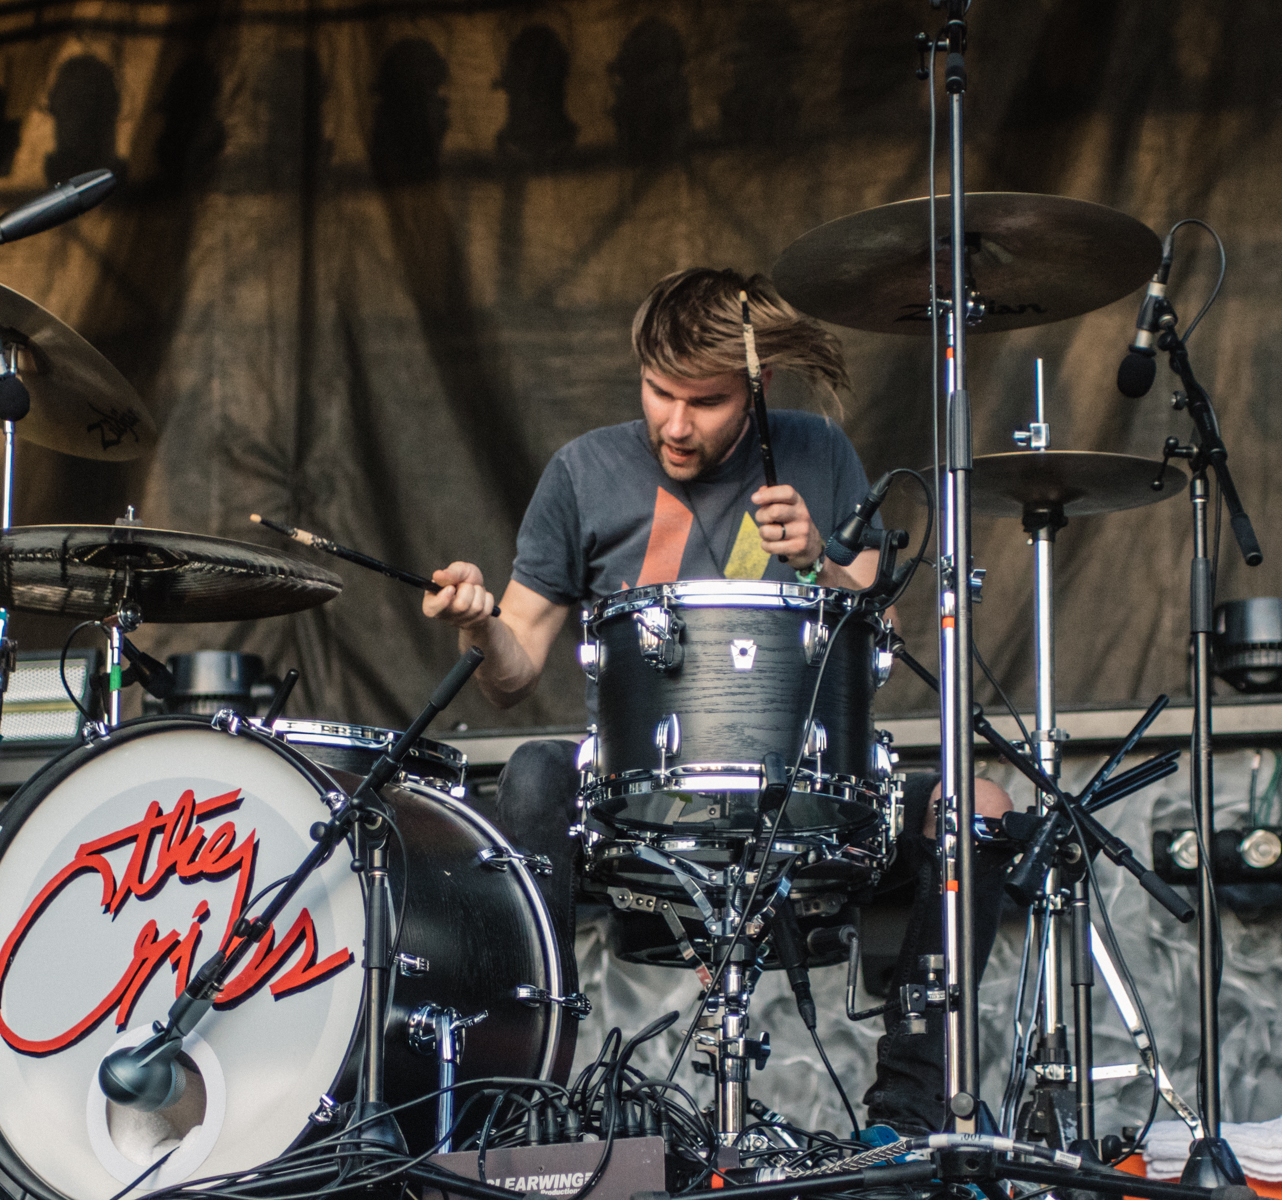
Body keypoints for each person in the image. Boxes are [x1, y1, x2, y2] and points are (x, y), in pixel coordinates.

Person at [422, 267, 1011, 1134]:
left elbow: (874, 628)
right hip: (638, 802)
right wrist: (479, 625)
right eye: (660, 392)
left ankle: (911, 1115)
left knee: (980, 805)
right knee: (536, 773)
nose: (675, 422)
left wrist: (819, 560)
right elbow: (512, 677)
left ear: (756, 388)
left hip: (802, 792)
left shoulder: (817, 451)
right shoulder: (583, 472)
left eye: (705, 401)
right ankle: (527, 1103)